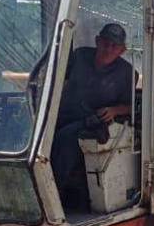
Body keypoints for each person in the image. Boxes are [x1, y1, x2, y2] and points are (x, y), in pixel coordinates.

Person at [51, 23, 135, 206]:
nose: (109, 49)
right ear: (97, 41)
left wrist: (114, 110)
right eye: (105, 43)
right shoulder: (80, 56)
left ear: (122, 50)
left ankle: (53, 196)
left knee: (66, 137)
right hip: (64, 113)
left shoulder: (127, 73)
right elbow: (58, 80)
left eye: (115, 46)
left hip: (92, 120)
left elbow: (133, 106)